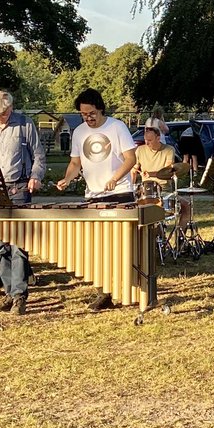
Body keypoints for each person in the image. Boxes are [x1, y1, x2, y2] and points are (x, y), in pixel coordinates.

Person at [55, 88, 137, 311]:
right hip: (93, 195)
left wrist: (115, 178)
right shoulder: (80, 132)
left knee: (121, 246)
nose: (88, 118)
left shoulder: (117, 126)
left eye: (91, 113)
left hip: (119, 192)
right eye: (83, 114)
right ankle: (105, 293)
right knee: (99, 247)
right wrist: (66, 179)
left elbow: (131, 158)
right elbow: (75, 163)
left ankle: (129, 289)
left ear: (100, 108)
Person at [0, 90, 46, 315]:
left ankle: (21, 296)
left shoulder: (25, 124)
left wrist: (36, 176)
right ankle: (9, 292)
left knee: (18, 245)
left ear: (10, 108)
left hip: (20, 189)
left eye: (2, 114)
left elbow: (39, 155)